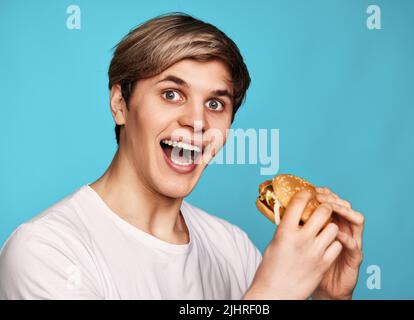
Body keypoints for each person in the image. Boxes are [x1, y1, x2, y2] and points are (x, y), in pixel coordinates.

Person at [0, 12, 364, 300]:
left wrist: (330, 299)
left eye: (215, 103)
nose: (196, 121)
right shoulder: (45, 252)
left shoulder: (233, 247)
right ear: (120, 104)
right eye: (171, 94)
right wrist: (271, 294)